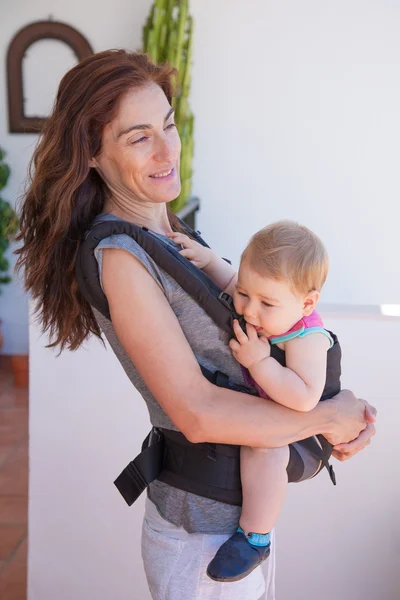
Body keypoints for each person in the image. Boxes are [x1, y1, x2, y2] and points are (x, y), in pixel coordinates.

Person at [16, 50, 376, 600]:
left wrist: (333, 420)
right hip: (201, 535)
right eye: (138, 138)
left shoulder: (172, 236)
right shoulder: (122, 257)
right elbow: (197, 413)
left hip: (235, 524)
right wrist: (328, 416)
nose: (167, 150)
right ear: (91, 153)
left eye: (167, 125)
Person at [167, 219, 341, 582]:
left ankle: (255, 537)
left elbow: (305, 397)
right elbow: (231, 281)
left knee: (264, 450)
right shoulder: (260, 302)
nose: (248, 310)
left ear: (307, 302)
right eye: (246, 295)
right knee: (257, 440)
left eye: (266, 303)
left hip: (300, 433)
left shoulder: (307, 336)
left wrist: (260, 362)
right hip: (272, 414)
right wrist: (209, 260)